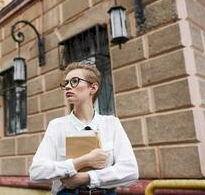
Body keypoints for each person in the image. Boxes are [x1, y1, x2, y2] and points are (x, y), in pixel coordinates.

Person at [29, 62, 139, 195]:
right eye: (66, 83)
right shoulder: (57, 126)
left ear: (92, 88)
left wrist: (86, 178)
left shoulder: (111, 124)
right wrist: (83, 161)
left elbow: (131, 171)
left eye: (75, 81)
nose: (68, 86)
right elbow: (36, 171)